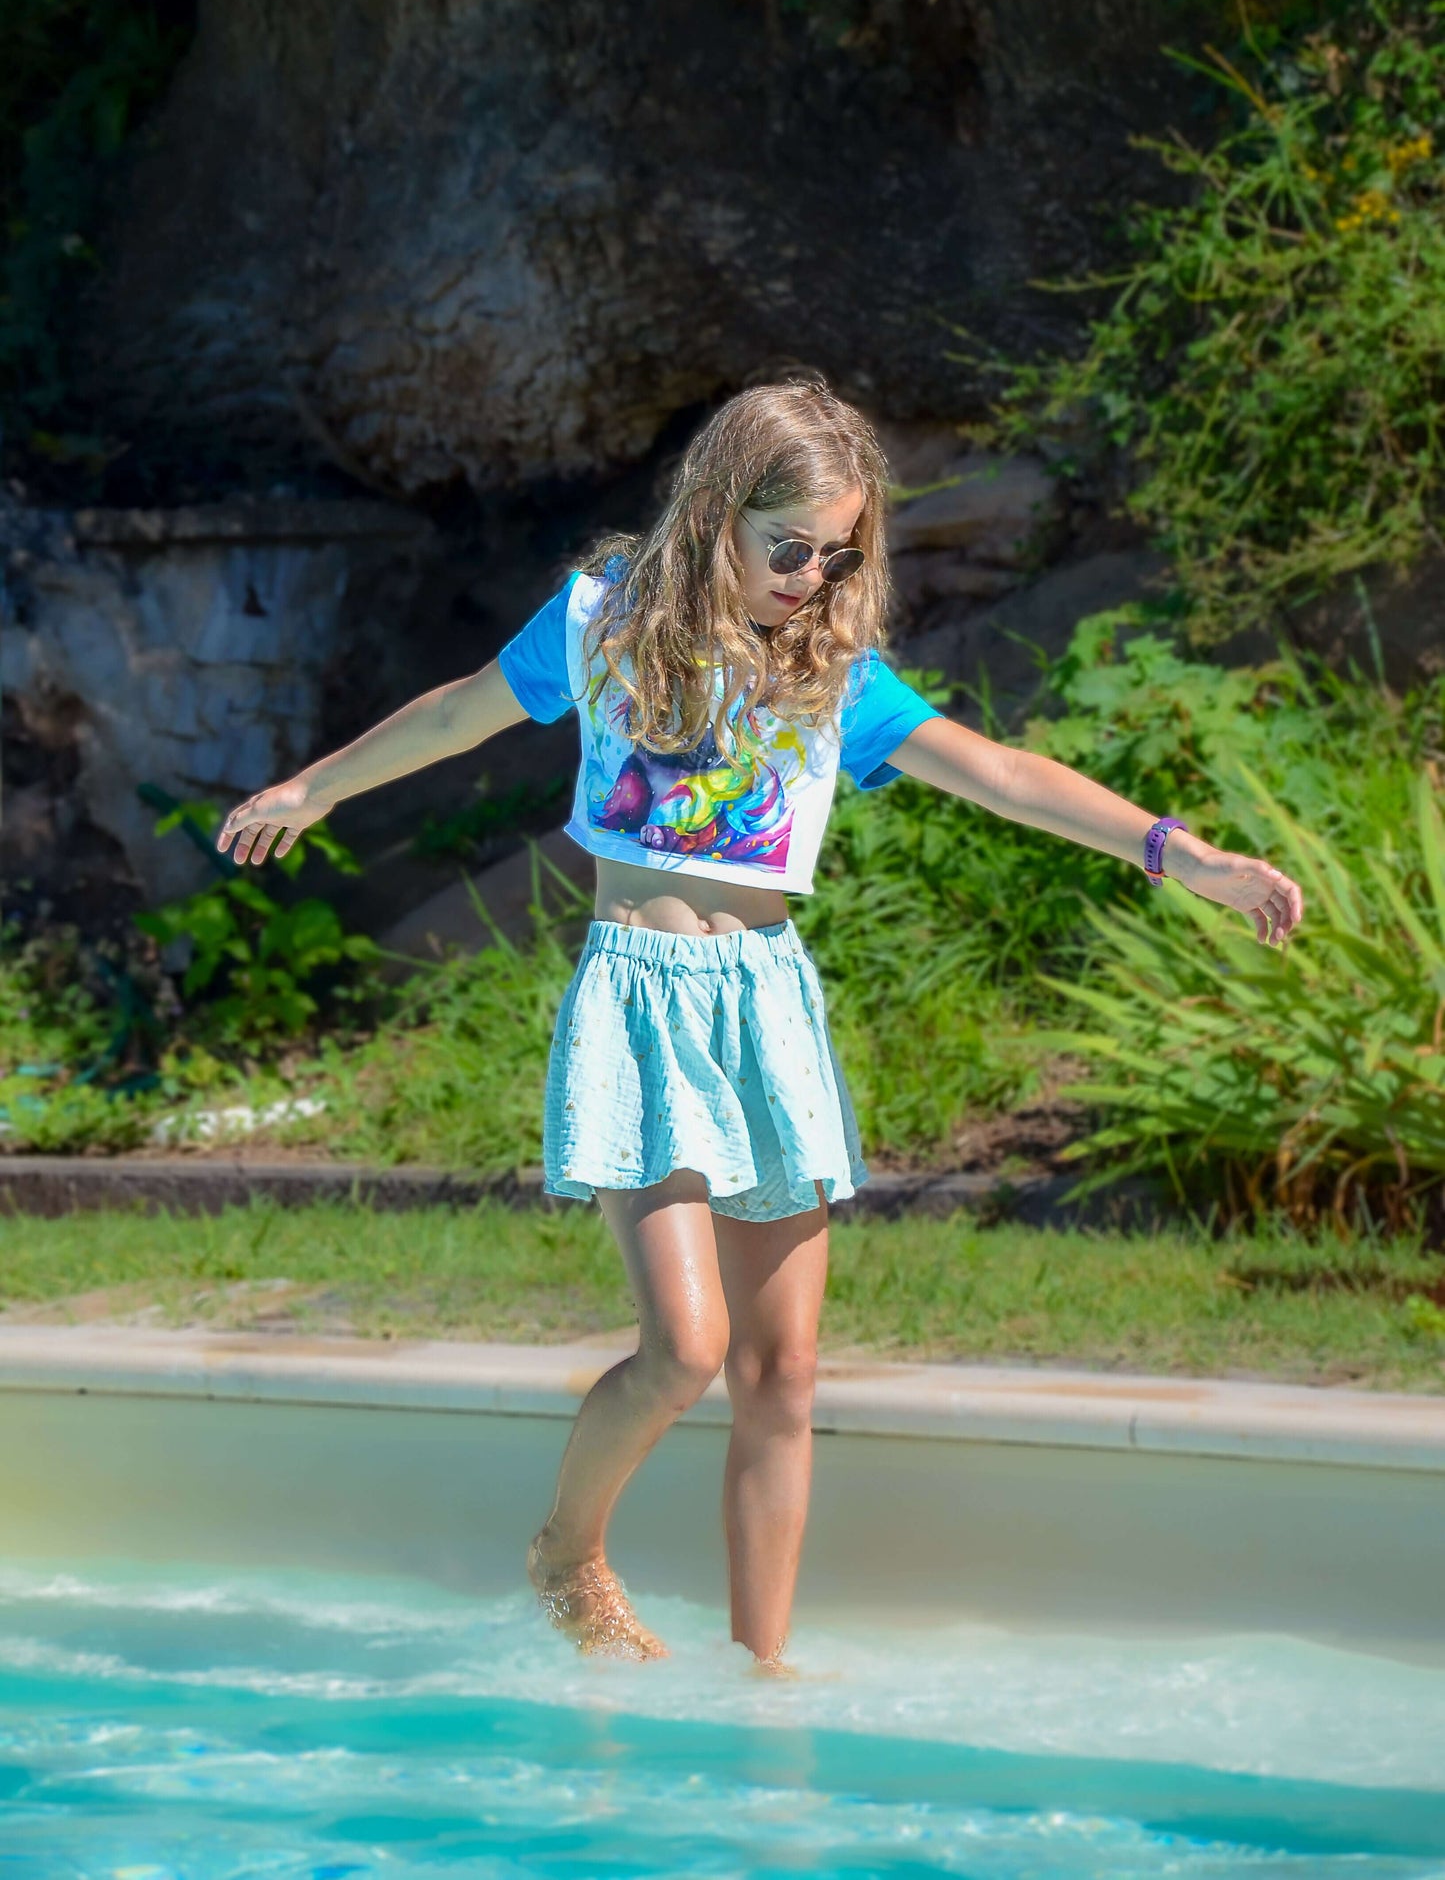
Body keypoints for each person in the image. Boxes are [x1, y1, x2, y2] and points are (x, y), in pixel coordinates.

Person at [217, 375, 1304, 1676]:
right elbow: (461, 709)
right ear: (717, 513)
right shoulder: (603, 625)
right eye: (788, 545)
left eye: (837, 553)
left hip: (766, 1004)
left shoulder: (833, 676)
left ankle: (761, 1671)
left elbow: (999, 773)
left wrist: (1173, 850)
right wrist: (314, 785)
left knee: (780, 1373)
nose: (811, 574)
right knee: (685, 1345)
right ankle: (566, 1548)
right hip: (638, 995)